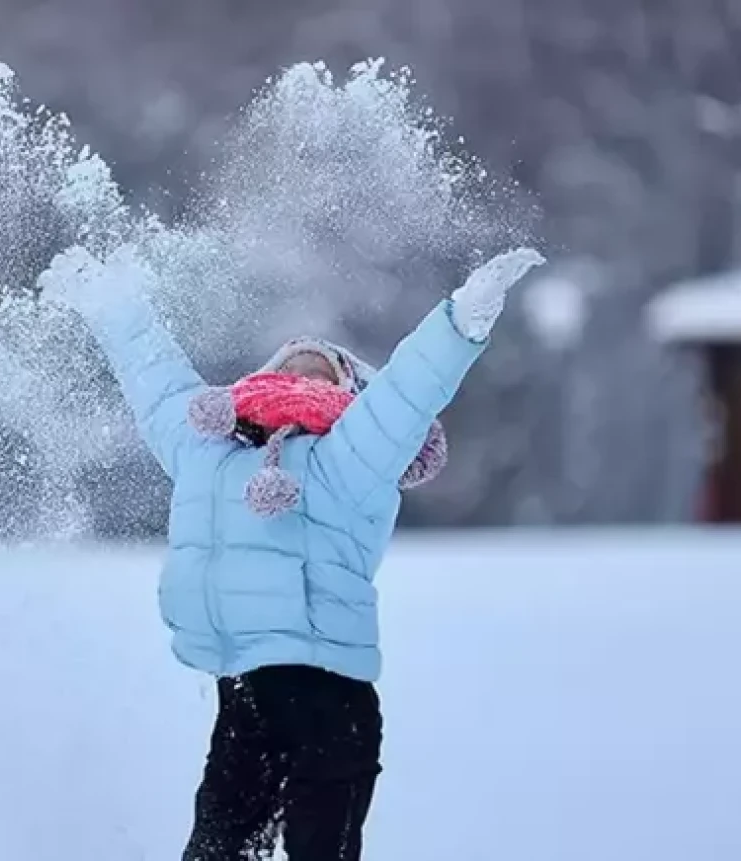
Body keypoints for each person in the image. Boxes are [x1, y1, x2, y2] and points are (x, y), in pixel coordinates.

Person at [38, 243, 543, 860]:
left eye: (322, 372)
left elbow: (406, 393)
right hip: (244, 698)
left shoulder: (352, 457)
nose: (303, 377)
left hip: (330, 702)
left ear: (351, 394)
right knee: (215, 851)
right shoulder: (209, 452)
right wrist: (114, 305)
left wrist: (461, 321)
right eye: (290, 368)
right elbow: (158, 381)